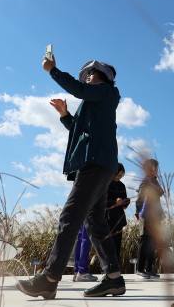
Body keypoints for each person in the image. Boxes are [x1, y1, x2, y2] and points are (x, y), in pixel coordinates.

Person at [15, 56, 126, 299]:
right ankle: (114, 279)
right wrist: (65, 115)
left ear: (104, 76)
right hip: (99, 163)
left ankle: (50, 278)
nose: (87, 75)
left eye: (92, 72)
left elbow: (79, 89)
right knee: (95, 222)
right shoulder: (98, 101)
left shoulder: (104, 91)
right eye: (86, 73)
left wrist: (52, 70)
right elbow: (80, 132)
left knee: (70, 216)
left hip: (95, 164)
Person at [135, 159, 164, 279]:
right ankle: (140, 269)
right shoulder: (145, 182)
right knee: (145, 240)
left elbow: (161, 193)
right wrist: (139, 213)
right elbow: (140, 200)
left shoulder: (154, 182)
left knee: (153, 242)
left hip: (155, 216)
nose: (157, 170)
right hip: (146, 215)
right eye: (155, 168)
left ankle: (149, 268)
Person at [105, 164, 130, 269]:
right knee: (107, 244)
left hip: (119, 217)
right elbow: (102, 200)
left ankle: (115, 268)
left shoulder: (122, 185)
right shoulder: (106, 183)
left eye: (121, 175)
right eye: (117, 174)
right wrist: (114, 201)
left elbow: (124, 200)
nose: (119, 177)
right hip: (108, 217)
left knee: (117, 244)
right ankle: (106, 268)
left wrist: (125, 202)